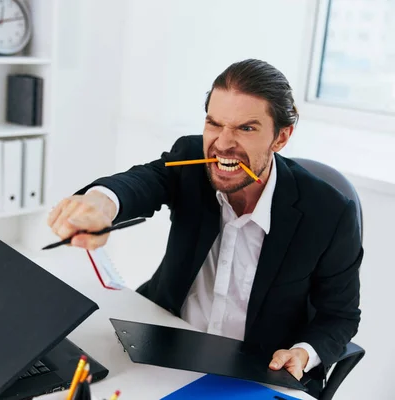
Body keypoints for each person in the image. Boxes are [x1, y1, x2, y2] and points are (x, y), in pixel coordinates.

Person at [46, 59, 362, 395]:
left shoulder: (328, 211)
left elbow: (339, 316)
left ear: (281, 137)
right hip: (167, 341)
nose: (223, 143)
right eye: (214, 123)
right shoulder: (191, 159)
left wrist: (303, 353)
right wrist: (102, 203)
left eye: (246, 128)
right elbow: (145, 181)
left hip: (254, 366)